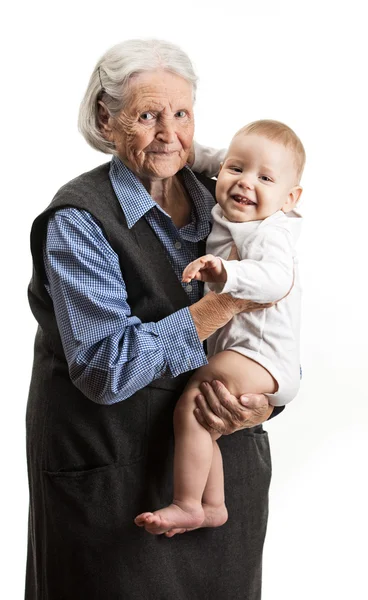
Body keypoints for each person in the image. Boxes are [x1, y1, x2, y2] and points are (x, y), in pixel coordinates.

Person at [26, 39, 286, 600]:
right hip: (114, 482)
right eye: (148, 115)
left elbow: (278, 317)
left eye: (183, 114)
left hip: (226, 481)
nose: (170, 134)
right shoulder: (79, 220)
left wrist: (262, 400)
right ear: (106, 118)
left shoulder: (231, 197)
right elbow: (106, 368)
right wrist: (222, 304)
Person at [135, 120, 304, 536]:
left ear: (290, 198)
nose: (246, 183)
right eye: (236, 169)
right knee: (203, 419)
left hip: (260, 356)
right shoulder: (233, 192)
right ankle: (211, 505)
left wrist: (227, 271)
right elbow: (211, 158)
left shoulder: (271, 232)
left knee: (192, 408)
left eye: (265, 178)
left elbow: (278, 279)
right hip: (251, 355)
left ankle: (189, 503)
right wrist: (188, 152)